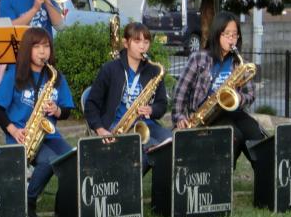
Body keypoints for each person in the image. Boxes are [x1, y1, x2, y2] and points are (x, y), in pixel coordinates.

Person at [0, 27, 74, 217]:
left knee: (71, 160)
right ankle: (28, 200)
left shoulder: (55, 77)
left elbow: (67, 110)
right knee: (49, 161)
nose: (43, 52)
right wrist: (14, 130)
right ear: (27, 49)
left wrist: (57, 110)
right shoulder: (14, 75)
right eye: (36, 47)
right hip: (22, 135)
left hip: (49, 135)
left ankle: (63, 207)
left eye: (46, 46)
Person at [172, 11, 264, 168]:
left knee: (257, 136)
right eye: (227, 34)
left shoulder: (239, 63)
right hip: (207, 115)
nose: (231, 38)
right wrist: (179, 117)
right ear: (216, 34)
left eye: (235, 35)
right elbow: (181, 90)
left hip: (234, 111)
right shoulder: (199, 58)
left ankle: (265, 180)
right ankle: (221, 183)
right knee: (234, 136)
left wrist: (237, 98)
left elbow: (250, 94)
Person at [84, 22, 171, 175]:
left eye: (146, 42)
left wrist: (151, 109)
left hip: (145, 125)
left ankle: (161, 197)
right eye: (137, 41)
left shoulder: (154, 71)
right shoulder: (110, 69)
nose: (142, 47)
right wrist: (100, 129)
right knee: (147, 152)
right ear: (126, 43)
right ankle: (127, 190)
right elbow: (91, 104)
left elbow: (162, 104)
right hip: (116, 126)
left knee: (171, 144)